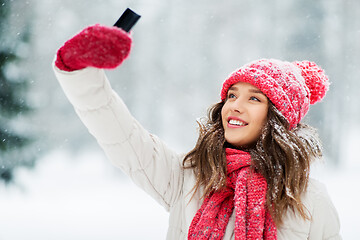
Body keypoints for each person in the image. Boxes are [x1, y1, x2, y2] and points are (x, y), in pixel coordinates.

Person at [53, 24, 341, 240]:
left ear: (279, 118)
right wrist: (80, 72)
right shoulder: (189, 176)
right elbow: (121, 135)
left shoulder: (309, 199)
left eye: (254, 98)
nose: (235, 107)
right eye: (231, 95)